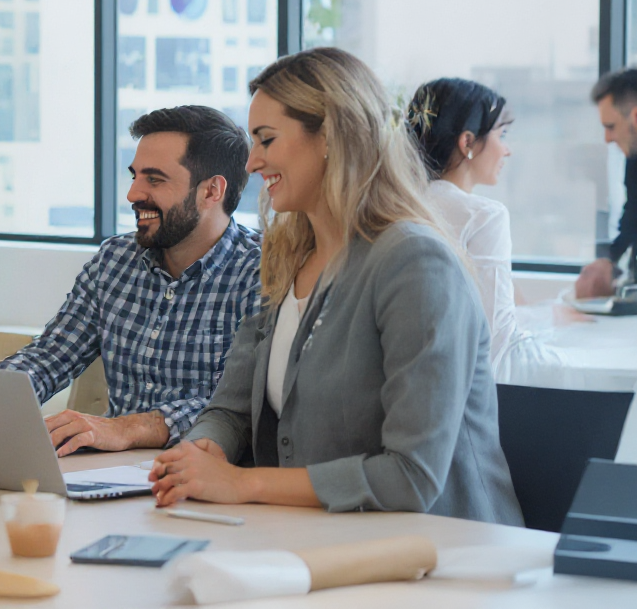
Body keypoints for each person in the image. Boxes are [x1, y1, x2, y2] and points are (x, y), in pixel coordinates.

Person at [150, 48, 521, 526]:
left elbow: (411, 476)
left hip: (444, 554)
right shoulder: (290, 258)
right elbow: (233, 409)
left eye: (266, 139)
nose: (252, 161)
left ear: (329, 134)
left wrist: (244, 484)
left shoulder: (416, 263)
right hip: (328, 537)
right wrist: (200, 453)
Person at [0, 106, 261, 457]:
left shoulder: (262, 272)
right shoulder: (114, 260)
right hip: (106, 478)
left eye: (154, 179)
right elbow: (49, 357)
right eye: (134, 176)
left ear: (212, 191)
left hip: (209, 482)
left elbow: (242, 407)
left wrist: (130, 427)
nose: (132, 194)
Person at [406, 77, 563, 384]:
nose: (507, 150)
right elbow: (496, 343)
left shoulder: (398, 204)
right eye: (502, 135)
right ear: (467, 142)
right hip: (465, 395)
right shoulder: (483, 217)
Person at [578, 68, 637, 297]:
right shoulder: (636, 158)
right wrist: (609, 260)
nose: (607, 139)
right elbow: (632, 213)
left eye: (611, 127)